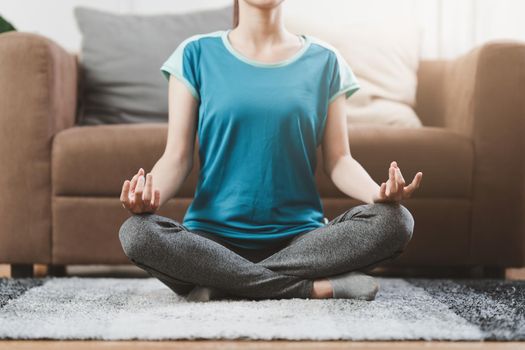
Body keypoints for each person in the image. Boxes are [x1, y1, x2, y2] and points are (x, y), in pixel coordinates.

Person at [118, 0, 423, 302]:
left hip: (302, 242)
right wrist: (148, 196)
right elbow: (177, 157)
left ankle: (223, 283)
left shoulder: (325, 60)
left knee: (396, 222)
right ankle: (310, 288)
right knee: (137, 232)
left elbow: (339, 160)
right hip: (211, 240)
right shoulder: (195, 53)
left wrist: (376, 194)